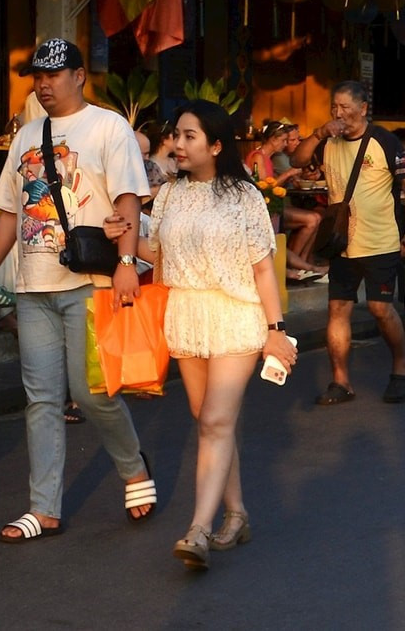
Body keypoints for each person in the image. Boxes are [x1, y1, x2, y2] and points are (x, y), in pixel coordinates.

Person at [0, 38, 157, 541]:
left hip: (89, 281)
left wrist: (125, 263)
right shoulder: (27, 134)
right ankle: (43, 507)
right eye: (38, 76)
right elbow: (10, 210)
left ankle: (132, 465)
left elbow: (127, 198)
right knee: (41, 398)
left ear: (79, 76)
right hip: (34, 285)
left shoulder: (108, 127)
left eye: (54, 74)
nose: (44, 84)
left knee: (91, 393)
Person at [124, 101, 295, 571]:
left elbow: (263, 269)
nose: (177, 145)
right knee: (208, 421)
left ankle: (198, 528)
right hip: (187, 313)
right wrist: (120, 236)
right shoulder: (169, 196)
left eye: (188, 137)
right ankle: (237, 513)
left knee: (216, 420)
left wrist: (276, 331)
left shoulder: (244, 196)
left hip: (236, 314)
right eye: (176, 135)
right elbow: (155, 256)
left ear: (216, 145)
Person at [308, 81, 405, 406]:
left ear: (362, 108)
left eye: (344, 107)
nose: (338, 113)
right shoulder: (327, 140)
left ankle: (401, 369)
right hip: (341, 243)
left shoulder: (384, 141)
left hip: (380, 242)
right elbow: (299, 156)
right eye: (334, 107)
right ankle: (340, 382)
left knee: (379, 308)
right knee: (338, 308)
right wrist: (318, 133)